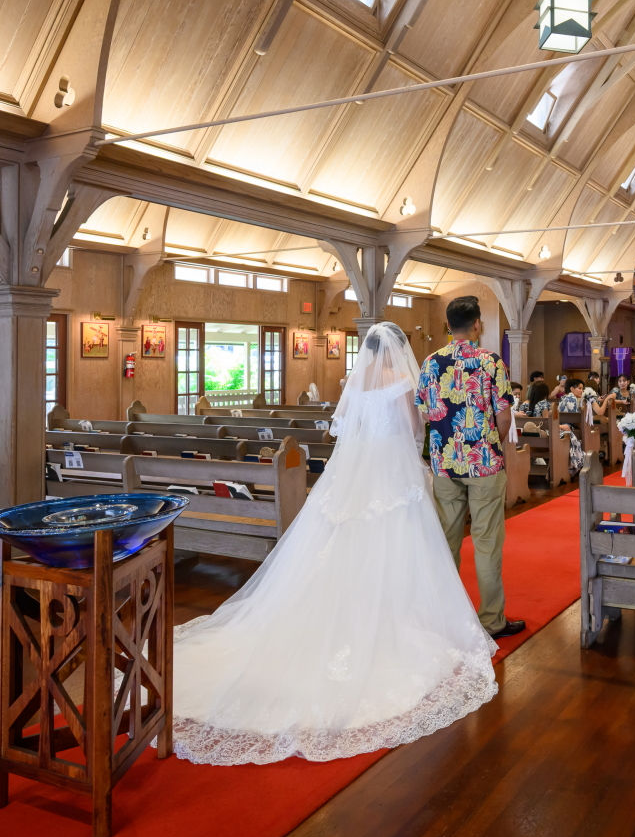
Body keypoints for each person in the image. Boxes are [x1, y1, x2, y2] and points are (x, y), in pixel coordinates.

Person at [171, 322, 499, 765]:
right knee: (396, 536)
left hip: (354, 470)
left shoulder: (355, 380)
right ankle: (392, 612)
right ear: (397, 350)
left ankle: (349, 604)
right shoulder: (402, 381)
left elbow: (343, 427)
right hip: (391, 466)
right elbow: (411, 427)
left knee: (348, 535)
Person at [418, 297, 526, 640]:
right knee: (486, 542)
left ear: (448, 325)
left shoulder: (430, 362)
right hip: (484, 463)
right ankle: (491, 620)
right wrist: (490, 444)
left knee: (446, 543)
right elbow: (504, 416)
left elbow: (426, 413)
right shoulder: (490, 361)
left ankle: (446, 618)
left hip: (445, 464)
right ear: (477, 324)